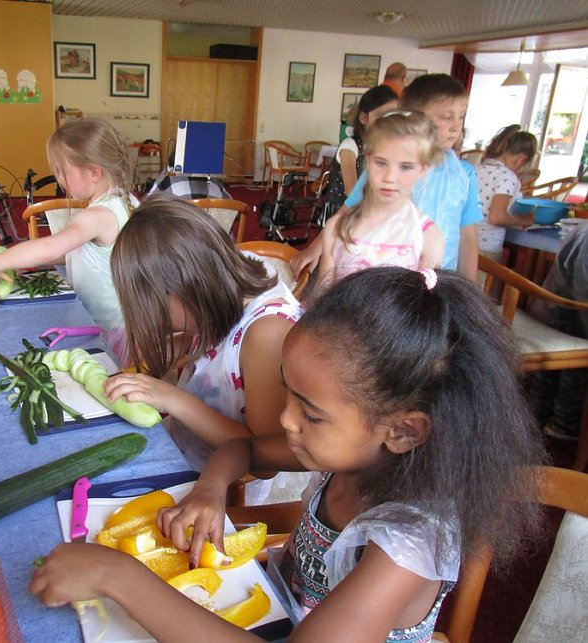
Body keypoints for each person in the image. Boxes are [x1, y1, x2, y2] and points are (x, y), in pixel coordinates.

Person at [30, 266, 547, 642]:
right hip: (274, 609)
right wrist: (210, 492)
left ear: (403, 431)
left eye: (311, 412)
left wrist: (116, 576)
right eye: (289, 392)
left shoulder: (409, 544)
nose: (285, 419)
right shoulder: (350, 454)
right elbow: (243, 446)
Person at [105, 194, 302, 478]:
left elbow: (266, 461)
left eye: (159, 309)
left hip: (218, 484)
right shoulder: (225, 279)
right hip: (183, 447)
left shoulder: (267, 334)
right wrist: (185, 344)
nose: (159, 322)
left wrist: (173, 400)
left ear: (189, 287)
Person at [294, 73, 482, 281]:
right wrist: (315, 248)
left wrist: (471, 291)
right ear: (415, 118)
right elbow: (347, 212)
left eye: (461, 116)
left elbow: (468, 238)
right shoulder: (383, 168)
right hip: (383, 271)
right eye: (447, 117)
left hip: (441, 281)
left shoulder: (465, 174)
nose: (456, 126)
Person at [0, 117, 133, 362]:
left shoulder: (99, 214)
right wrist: (18, 261)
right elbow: (85, 254)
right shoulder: (125, 201)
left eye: (63, 171)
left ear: (94, 172)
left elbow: (49, 248)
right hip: (120, 324)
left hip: (108, 332)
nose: (59, 179)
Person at [316, 111, 444, 289]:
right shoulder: (337, 228)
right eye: (381, 163)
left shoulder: (428, 237)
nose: (390, 177)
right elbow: (323, 299)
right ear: (368, 160)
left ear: (423, 169)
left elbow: (422, 311)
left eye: (405, 167)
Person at [530, 224, 588, 441]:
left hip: (576, 245)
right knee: (580, 339)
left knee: (564, 325)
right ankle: (565, 422)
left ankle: (537, 410)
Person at [321, 84, 398, 221]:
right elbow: (351, 190)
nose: (389, 122)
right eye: (381, 116)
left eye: (394, 115)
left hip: (370, 210)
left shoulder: (386, 148)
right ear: (364, 118)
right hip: (344, 212)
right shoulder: (351, 146)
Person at [475, 125, 538, 260]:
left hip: (463, 243)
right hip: (486, 248)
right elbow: (497, 217)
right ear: (521, 159)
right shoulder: (507, 176)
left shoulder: (475, 169)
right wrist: (525, 219)